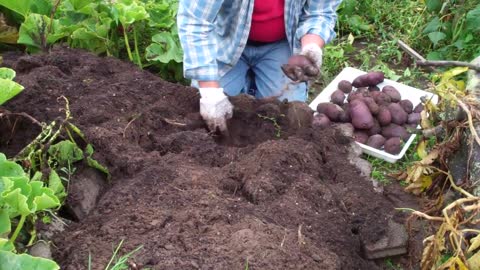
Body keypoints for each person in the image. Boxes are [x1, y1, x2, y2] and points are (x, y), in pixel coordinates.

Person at [177, 0, 343, 133]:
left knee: (290, 117)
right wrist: (210, 91)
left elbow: (320, 12)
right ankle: (246, 81)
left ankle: (253, 81)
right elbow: (194, 21)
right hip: (227, 41)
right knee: (207, 115)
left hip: (280, 42)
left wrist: (311, 45)